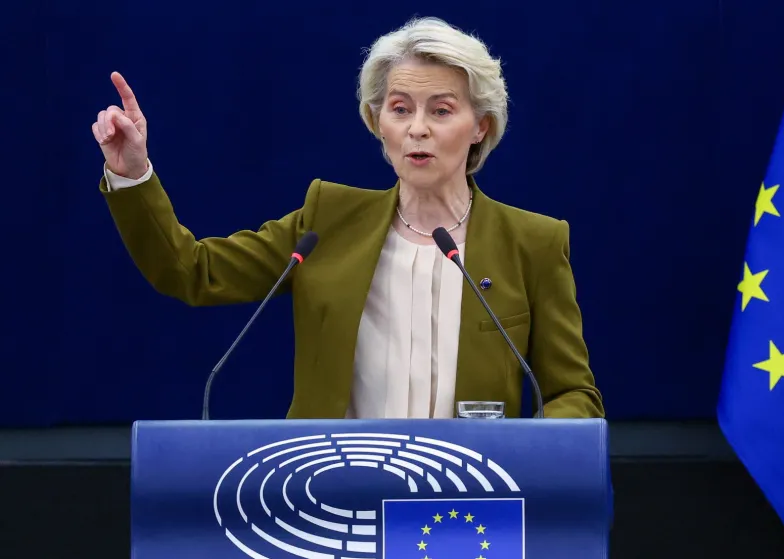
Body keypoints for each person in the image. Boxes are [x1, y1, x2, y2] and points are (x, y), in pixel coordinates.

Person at [91, 17, 604, 420]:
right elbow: (191, 271)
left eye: (441, 111)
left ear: (480, 127)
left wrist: (531, 447)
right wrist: (133, 173)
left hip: (459, 512)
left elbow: (573, 392)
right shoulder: (328, 222)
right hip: (333, 502)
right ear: (376, 121)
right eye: (400, 109)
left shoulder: (532, 242)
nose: (417, 129)